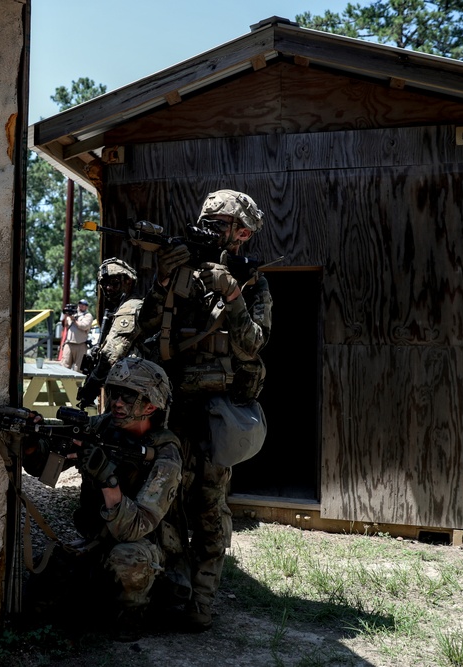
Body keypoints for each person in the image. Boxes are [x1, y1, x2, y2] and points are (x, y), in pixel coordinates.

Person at [137, 189, 273, 632]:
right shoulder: (181, 270)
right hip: (173, 408)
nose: (212, 230)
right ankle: (169, 588)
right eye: (208, 222)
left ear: (243, 233)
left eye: (222, 224)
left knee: (209, 508)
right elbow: (146, 329)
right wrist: (162, 282)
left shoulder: (253, 281)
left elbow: (253, 344)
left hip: (218, 412)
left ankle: (203, 602)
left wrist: (232, 294)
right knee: (164, 501)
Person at [21, 358, 183, 636]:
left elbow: (136, 528)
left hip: (141, 547)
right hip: (95, 540)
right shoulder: (102, 427)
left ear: (151, 406)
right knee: (37, 600)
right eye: (113, 393)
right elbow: (42, 466)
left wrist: (107, 479)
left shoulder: (165, 455)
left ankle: (135, 613)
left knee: (128, 560)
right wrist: (34, 442)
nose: (117, 402)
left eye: (128, 396)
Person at [76, 258, 144, 408]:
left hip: (132, 383)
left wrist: (90, 387)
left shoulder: (130, 308)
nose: (108, 288)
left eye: (114, 283)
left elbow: (111, 355)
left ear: (128, 282)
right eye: (105, 284)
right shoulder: (121, 307)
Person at [59, 299, 94, 372]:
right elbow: (65, 325)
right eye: (80, 304)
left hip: (80, 345)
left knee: (78, 368)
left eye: (83, 305)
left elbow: (84, 326)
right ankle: (64, 383)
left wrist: (74, 320)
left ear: (86, 307)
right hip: (69, 344)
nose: (81, 306)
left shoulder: (88, 316)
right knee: (64, 366)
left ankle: (77, 384)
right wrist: (66, 315)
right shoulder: (73, 314)